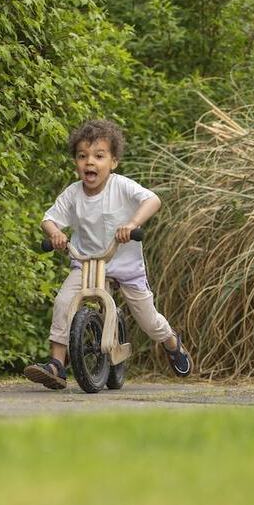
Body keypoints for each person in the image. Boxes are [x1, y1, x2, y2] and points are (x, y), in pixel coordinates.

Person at [24, 119, 191, 389]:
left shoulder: (121, 186)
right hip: (86, 263)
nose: (90, 162)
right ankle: (56, 364)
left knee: (149, 321)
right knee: (64, 301)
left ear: (113, 162)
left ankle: (172, 343)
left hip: (124, 264)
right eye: (82, 156)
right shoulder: (73, 194)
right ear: (76, 162)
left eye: (99, 156)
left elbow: (153, 200)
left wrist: (132, 224)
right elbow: (49, 218)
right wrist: (55, 233)